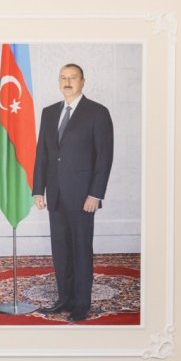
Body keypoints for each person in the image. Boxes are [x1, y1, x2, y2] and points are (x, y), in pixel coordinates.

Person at [31, 62, 114, 323]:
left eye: (73, 77)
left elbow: (104, 157)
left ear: (82, 82)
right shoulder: (48, 113)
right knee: (61, 250)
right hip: (55, 195)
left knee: (80, 250)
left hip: (83, 197)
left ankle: (81, 304)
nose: (67, 82)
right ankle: (64, 299)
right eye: (63, 78)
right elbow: (42, 154)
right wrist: (38, 190)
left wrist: (95, 194)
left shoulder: (97, 112)